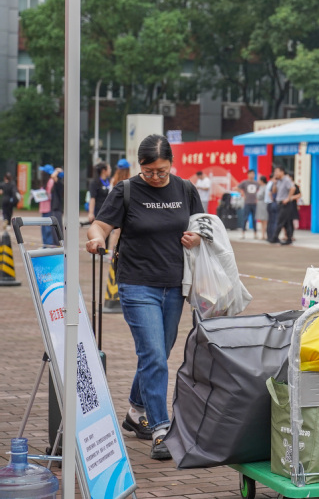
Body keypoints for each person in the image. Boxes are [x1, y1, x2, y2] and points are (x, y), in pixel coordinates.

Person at [85, 134, 203, 460]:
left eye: (161, 171)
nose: (155, 177)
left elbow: (204, 226)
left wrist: (197, 237)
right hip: (137, 284)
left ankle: (136, 411)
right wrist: (95, 239)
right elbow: (99, 226)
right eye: (148, 171)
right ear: (140, 166)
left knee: (159, 354)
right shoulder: (126, 190)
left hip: (174, 285)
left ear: (171, 164)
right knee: (153, 354)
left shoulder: (185, 189)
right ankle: (161, 429)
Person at [267, 167, 296, 245]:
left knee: (280, 220)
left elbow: (293, 188)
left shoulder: (286, 180)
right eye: (275, 172)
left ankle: (274, 238)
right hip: (279, 203)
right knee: (286, 222)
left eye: (277, 172)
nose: (275, 174)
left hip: (286, 204)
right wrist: (274, 183)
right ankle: (289, 239)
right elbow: (274, 191)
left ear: (282, 172)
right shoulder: (278, 181)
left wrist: (288, 198)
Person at [238, 169, 259, 240]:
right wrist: (242, 193)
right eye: (250, 174)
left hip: (254, 203)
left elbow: (260, 190)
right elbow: (238, 187)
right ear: (248, 174)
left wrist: (257, 198)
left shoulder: (256, 183)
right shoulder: (245, 182)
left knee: (254, 219)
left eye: (253, 174)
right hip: (247, 203)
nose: (252, 175)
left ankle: (255, 233)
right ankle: (243, 233)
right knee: (245, 218)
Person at [255, 175, 269, 240]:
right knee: (261, 220)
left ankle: (265, 234)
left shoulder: (266, 187)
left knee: (265, 220)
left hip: (264, 204)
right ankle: (262, 234)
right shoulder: (260, 187)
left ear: (262, 181)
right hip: (260, 204)